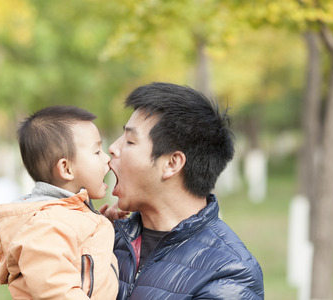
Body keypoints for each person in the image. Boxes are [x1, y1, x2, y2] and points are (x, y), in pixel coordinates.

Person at [106, 82, 264, 299]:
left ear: (172, 163)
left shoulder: (230, 274)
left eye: (130, 141)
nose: (113, 148)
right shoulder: (106, 237)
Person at [0, 106, 118, 300]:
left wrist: (100, 224)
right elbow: (56, 292)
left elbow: (83, 259)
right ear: (66, 169)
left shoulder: (63, 217)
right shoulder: (45, 227)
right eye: (97, 152)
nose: (107, 158)